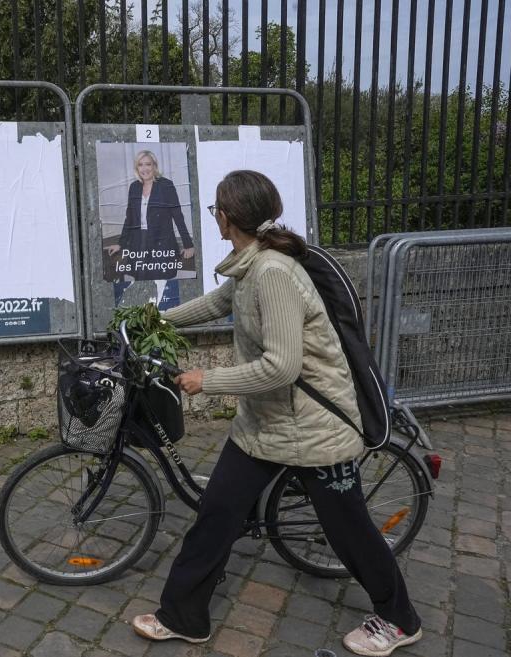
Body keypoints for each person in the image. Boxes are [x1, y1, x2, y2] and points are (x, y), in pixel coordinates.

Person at [131, 170, 422, 657]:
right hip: (265, 425)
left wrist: (209, 381)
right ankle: (184, 616)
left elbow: (282, 367)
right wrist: (153, 320)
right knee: (216, 515)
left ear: (228, 217)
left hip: (314, 429)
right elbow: (218, 302)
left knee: (350, 532)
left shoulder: (273, 274)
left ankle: (399, 618)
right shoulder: (252, 265)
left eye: (216, 211)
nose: (215, 218)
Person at [105, 151, 195, 304]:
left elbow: (178, 216)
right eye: (140, 164)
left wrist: (188, 245)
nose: (144, 168)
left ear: (154, 166)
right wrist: (121, 243)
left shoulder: (166, 185)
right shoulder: (134, 187)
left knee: (161, 288)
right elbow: (130, 219)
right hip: (139, 243)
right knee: (141, 288)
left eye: (148, 164)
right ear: (137, 168)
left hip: (161, 242)